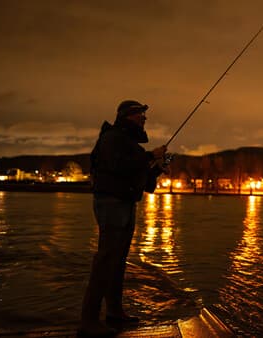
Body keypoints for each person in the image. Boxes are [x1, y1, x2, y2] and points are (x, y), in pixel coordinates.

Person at [78, 100, 167, 337]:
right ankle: (88, 319)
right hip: (111, 203)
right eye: (141, 114)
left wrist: (156, 167)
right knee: (106, 258)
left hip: (126, 204)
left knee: (118, 260)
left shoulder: (131, 145)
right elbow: (117, 165)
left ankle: (114, 312)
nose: (145, 119)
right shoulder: (112, 138)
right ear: (129, 116)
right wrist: (149, 155)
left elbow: (144, 182)